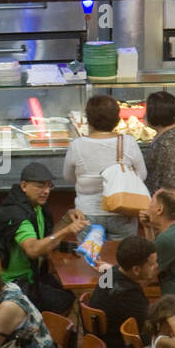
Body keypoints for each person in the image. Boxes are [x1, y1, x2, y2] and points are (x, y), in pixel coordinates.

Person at [0, 162, 88, 317]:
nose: (46, 191)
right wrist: (67, 231)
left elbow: (47, 239)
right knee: (64, 301)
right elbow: (34, 249)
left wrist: (67, 218)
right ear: (24, 185)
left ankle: (43, 330)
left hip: (34, 273)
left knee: (66, 292)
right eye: (40, 186)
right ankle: (41, 332)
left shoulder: (36, 206)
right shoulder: (17, 212)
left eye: (49, 186)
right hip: (14, 281)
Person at [63, 94, 147, 239]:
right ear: (116, 119)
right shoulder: (128, 142)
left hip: (86, 214)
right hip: (122, 210)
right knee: (123, 259)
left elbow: (68, 177)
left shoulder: (77, 145)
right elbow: (142, 175)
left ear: (89, 120)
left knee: (89, 259)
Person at [90, 235, 160, 348]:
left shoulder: (110, 274)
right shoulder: (129, 295)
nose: (156, 266)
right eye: (152, 264)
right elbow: (152, 331)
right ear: (136, 269)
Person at [143, 90, 175, 213]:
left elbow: (172, 183)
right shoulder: (174, 133)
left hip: (168, 208)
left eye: (147, 111)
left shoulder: (167, 144)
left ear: (156, 115)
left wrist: (161, 211)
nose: (144, 115)